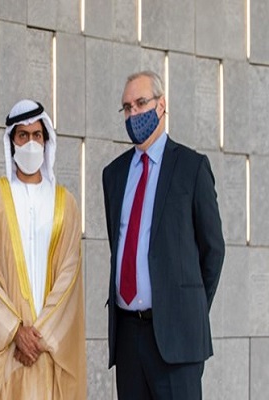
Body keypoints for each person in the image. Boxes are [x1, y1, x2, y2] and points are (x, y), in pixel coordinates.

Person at [102, 70, 225, 399]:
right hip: (128, 338)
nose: (134, 113)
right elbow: (120, 246)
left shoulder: (191, 167)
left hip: (177, 339)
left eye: (141, 103)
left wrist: (186, 308)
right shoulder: (113, 175)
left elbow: (213, 250)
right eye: (127, 107)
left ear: (161, 105)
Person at [0, 99, 86, 400]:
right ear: (11, 142)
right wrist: (15, 331)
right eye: (22, 135)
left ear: (47, 141)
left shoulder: (66, 204)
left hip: (49, 352)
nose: (31, 143)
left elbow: (69, 277)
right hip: (8, 353)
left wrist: (39, 337)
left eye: (37, 135)